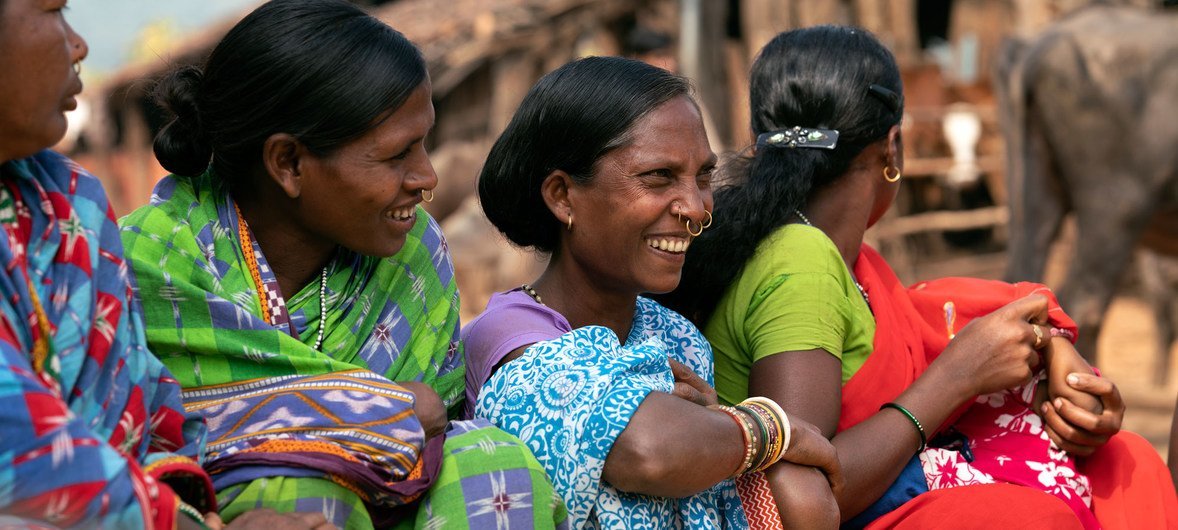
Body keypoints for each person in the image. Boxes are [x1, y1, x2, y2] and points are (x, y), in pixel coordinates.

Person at [667, 25, 1178, 529]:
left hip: (879, 492)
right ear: (892, 148)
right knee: (1028, 517)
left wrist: (1050, 343)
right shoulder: (801, 259)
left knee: (1122, 459)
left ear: (759, 144)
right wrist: (955, 380)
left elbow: (935, 313)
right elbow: (802, 495)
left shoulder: (843, 261)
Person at [118, 1, 565, 528]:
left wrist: (376, 424)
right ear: (288, 163)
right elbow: (133, 440)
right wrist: (384, 411)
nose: (427, 177)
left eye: (425, 145)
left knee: (491, 463)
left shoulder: (414, 251)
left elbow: (437, 430)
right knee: (294, 489)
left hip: (401, 498)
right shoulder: (151, 263)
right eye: (397, 155)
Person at [466, 55, 843, 530]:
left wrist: (722, 431)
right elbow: (650, 450)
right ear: (563, 196)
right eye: (658, 177)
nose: (696, 207)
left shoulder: (673, 337)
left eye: (703, 176)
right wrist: (771, 429)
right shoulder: (511, 342)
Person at [0, 1, 335, 529]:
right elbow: (15, 440)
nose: (78, 44)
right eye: (52, 10)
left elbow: (151, 413)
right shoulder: (160, 248)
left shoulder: (68, 205)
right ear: (285, 161)